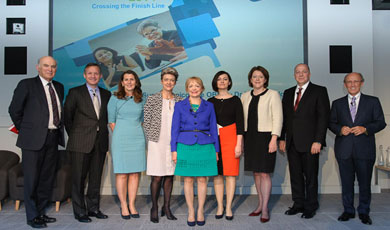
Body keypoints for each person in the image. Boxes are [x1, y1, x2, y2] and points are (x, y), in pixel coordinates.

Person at [9, 56, 64, 228]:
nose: (50, 69)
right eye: (46, 66)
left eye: (53, 66)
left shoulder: (59, 87)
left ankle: (41, 212)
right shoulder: (26, 84)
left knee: (46, 178)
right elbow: (14, 110)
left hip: (53, 137)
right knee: (32, 179)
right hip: (32, 140)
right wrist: (28, 129)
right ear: (38, 67)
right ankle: (32, 216)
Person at [329, 72, 386, 225]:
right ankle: (348, 210)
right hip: (344, 150)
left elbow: (381, 122)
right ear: (344, 84)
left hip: (365, 150)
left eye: (356, 81)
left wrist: (365, 128)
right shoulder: (337, 103)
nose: (352, 84)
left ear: (362, 83)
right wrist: (340, 129)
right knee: (346, 183)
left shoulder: (372, 102)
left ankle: (364, 212)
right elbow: (331, 123)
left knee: (364, 183)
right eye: (349, 82)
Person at [279, 63, 330, 219]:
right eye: (297, 72)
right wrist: (282, 138)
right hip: (292, 142)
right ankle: (298, 203)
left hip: (311, 143)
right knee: (295, 175)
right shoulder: (288, 93)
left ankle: (310, 206)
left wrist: (318, 141)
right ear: (294, 75)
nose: (300, 74)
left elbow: (323, 118)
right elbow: (284, 118)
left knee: (311, 176)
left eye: (304, 72)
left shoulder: (319, 91)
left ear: (309, 74)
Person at [64, 63, 111, 223]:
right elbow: (67, 118)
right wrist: (77, 136)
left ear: (100, 76)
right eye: (90, 73)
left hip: (100, 142)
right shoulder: (75, 92)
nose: (93, 76)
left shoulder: (106, 94)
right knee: (78, 179)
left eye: (96, 73)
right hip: (80, 142)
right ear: (84, 75)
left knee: (96, 178)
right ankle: (80, 211)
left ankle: (93, 208)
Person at [171, 77, 219, 227]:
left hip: (205, 145)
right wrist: (174, 150)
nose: (194, 88)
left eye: (197, 85)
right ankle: (191, 211)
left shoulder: (209, 106)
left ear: (202, 88)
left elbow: (213, 129)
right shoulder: (179, 106)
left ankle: (200, 211)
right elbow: (174, 129)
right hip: (185, 145)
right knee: (188, 180)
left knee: (202, 179)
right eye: (190, 86)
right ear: (186, 89)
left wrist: (216, 150)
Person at [241, 66, 283, 223]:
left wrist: (274, 139)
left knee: (264, 173)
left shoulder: (273, 95)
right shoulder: (245, 96)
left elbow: (278, 118)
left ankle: (265, 208)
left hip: (266, 138)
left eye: (260, 77)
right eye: (254, 77)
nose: (257, 79)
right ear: (250, 79)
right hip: (250, 137)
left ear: (265, 79)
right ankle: (259, 204)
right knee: (256, 173)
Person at [143, 67, 183, 223]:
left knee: (169, 176)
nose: (169, 82)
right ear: (161, 81)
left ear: (175, 82)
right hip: (157, 142)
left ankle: (166, 207)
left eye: (172, 80)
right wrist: (153, 137)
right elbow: (147, 120)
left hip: (173, 143)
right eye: (166, 79)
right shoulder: (152, 98)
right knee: (157, 177)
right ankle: (154, 207)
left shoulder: (179, 100)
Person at [107, 70, 146, 220]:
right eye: (126, 79)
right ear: (122, 83)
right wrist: (120, 135)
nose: (129, 82)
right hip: (120, 138)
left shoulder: (141, 99)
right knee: (122, 173)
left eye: (132, 79)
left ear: (136, 82)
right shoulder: (114, 99)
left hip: (137, 138)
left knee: (135, 173)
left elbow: (141, 120)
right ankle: (123, 205)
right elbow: (111, 121)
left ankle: (132, 204)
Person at [207, 71, 244, 221]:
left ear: (229, 82)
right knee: (217, 175)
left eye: (225, 79)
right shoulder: (210, 101)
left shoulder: (236, 100)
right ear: (215, 82)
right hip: (214, 141)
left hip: (231, 140)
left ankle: (228, 207)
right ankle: (220, 206)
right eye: (219, 79)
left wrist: (239, 144)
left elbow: (241, 124)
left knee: (230, 175)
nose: (222, 81)